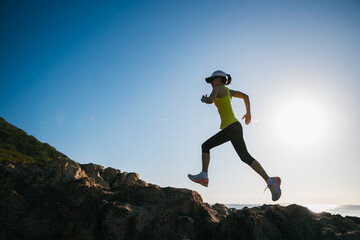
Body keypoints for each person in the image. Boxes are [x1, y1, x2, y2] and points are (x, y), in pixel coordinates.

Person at [188, 70, 281, 201]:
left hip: (232, 127)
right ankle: (271, 181)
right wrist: (249, 113)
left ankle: (271, 181)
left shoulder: (218, 88)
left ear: (219, 79)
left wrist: (205, 99)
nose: (210, 83)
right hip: (232, 128)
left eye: (211, 80)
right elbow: (246, 96)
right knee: (243, 156)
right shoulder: (228, 91)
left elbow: (210, 100)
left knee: (208, 146)